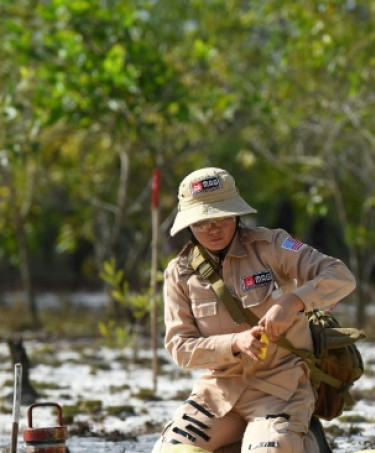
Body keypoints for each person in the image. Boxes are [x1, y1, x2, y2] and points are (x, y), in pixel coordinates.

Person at [152, 167, 356, 453]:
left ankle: (303, 440)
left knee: (269, 450)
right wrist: (234, 343)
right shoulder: (179, 273)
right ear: (189, 225)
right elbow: (180, 348)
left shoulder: (270, 246)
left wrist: (293, 301)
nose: (213, 228)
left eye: (221, 216)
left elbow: (340, 275)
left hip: (280, 389)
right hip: (219, 392)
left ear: (236, 215)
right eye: (202, 221)